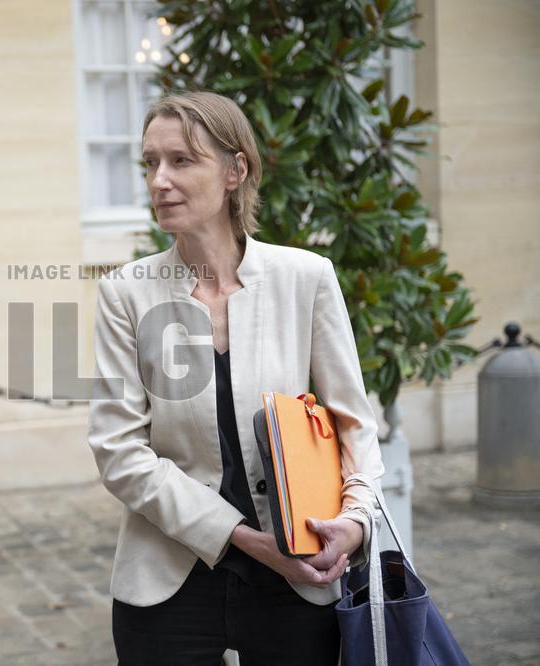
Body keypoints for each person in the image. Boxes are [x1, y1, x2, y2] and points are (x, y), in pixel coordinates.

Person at [87, 91, 384, 665]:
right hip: (167, 578)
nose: (159, 180)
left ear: (235, 170)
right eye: (150, 163)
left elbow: (354, 425)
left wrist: (354, 523)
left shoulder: (307, 277)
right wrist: (241, 539)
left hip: (301, 572)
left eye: (181, 160)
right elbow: (118, 451)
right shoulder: (125, 292)